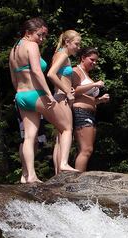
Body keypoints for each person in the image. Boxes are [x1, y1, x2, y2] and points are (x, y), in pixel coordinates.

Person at [9, 17, 78, 183]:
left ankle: (29, 175)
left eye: (44, 36)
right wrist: (47, 94)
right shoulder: (31, 45)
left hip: (21, 95)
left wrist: (19, 95)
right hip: (36, 94)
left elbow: (13, 77)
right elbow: (37, 71)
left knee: (29, 137)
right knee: (66, 127)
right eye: (40, 35)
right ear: (28, 32)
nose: (42, 39)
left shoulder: (14, 49)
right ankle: (63, 164)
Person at [47, 29, 81, 174]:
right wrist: (67, 91)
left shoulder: (59, 54)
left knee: (60, 137)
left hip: (59, 96)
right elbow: (51, 74)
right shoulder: (63, 55)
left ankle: (58, 172)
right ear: (67, 42)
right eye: (76, 44)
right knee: (67, 130)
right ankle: (64, 164)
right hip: (62, 97)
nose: (78, 48)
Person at [71, 47, 109, 171]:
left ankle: (78, 177)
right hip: (81, 112)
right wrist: (94, 84)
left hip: (89, 113)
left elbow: (87, 98)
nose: (94, 63)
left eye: (96, 61)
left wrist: (100, 99)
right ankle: (77, 181)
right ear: (83, 58)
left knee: (87, 149)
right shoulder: (76, 70)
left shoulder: (87, 74)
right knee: (86, 149)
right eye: (91, 60)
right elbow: (73, 91)